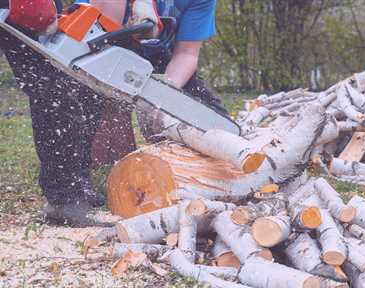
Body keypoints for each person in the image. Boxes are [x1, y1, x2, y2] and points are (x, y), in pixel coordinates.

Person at [0, 0, 224, 226]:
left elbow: (187, 53)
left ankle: (220, 166)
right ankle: (68, 192)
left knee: (205, 106)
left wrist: (164, 95)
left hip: (157, 54)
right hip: (106, 39)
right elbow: (104, 19)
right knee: (66, 92)